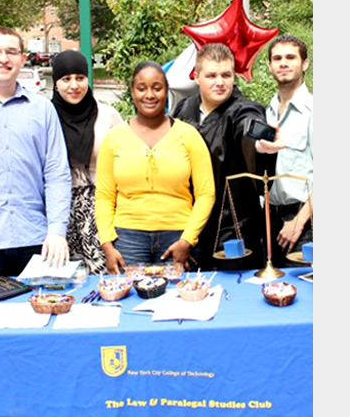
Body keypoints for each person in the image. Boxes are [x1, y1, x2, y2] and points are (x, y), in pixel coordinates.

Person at [95, 61, 215, 275]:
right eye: (142, 88)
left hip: (178, 238)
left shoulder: (188, 135)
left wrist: (188, 239)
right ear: (132, 91)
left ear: (166, 91)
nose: (149, 95)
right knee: (130, 302)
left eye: (156, 88)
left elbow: (206, 193)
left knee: (178, 302)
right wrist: (107, 244)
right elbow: (104, 196)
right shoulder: (114, 138)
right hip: (127, 239)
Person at [171, 43, 280, 271]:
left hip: (234, 224)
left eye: (226, 75)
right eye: (211, 75)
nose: (220, 82)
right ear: (197, 76)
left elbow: (247, 126)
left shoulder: (242, 109)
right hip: (188, 223)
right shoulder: (183, 110)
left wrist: (259, 143)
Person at [0, 26, 72, 277]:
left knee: (41, 310)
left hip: (34, 238)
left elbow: (56, 173)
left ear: (22, 58)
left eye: (11, 52)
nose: (3, 59)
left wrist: (57, 230)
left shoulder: (42, 110)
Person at [50, 50, 122, 274]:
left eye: (80, 78)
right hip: (60, 208)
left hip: (101, 207)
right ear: (55, 84)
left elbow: (123, 159)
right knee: (65, 278)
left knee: (106, 274)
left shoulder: (107, 115)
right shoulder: (47, 116)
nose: (74, 85)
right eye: (66, 79)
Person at [258, 34, 313, 267]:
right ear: (270, 66)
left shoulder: (314, 111)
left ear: (305, 64)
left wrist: (299, 221)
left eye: (291, 57)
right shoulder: (265, 113)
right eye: (277, 58)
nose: (283, 63)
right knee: (273, 293)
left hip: (305, 223)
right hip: (271, 221)